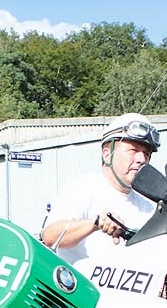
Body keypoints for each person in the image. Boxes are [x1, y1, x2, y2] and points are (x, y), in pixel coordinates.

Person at [40, 113, 160, 264]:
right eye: (133, 150)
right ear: (107, 154)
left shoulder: (149, 207)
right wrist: (95, 223)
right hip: (81, 285)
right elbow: (50, 237)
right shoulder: (82, 188)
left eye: (146, 154)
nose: (141, 159)